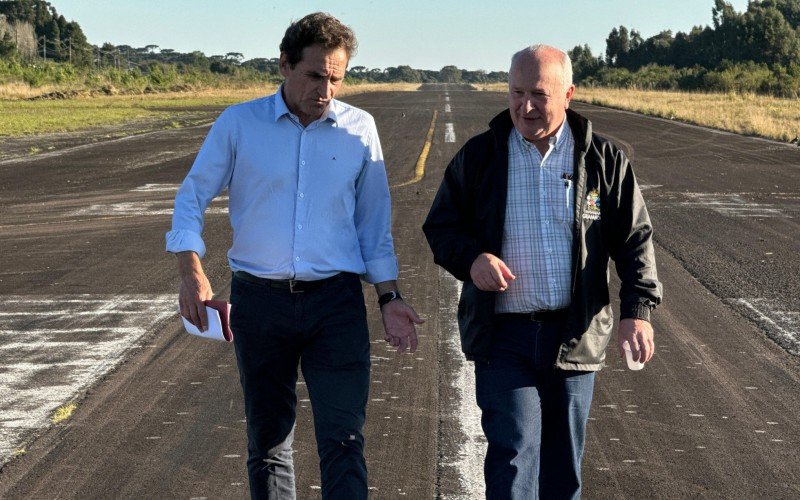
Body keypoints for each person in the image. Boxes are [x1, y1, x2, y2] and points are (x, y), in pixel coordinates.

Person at [166, 12, 423, 500]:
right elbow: (191, 197)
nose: (326, 90)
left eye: (336, 78)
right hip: (260, 304)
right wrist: (191, 270)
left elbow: (374, 225)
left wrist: (390, 297)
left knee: (344, 441)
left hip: (336, 306)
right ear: (284, 65)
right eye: (314, 75)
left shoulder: (360, 130)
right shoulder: (239, 124)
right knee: (267, 443)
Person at [423, 45, 662, 499]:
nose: (525, 106)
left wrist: (637, 309)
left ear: (568, 94)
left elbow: (635, 239)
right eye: (516, 92)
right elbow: (442, 227)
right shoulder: (480, 158)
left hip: (575, 335)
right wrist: (473, 259)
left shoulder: (603, 162)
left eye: (539, 94)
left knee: (562, 470)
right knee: (513, 460)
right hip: (503, 336)